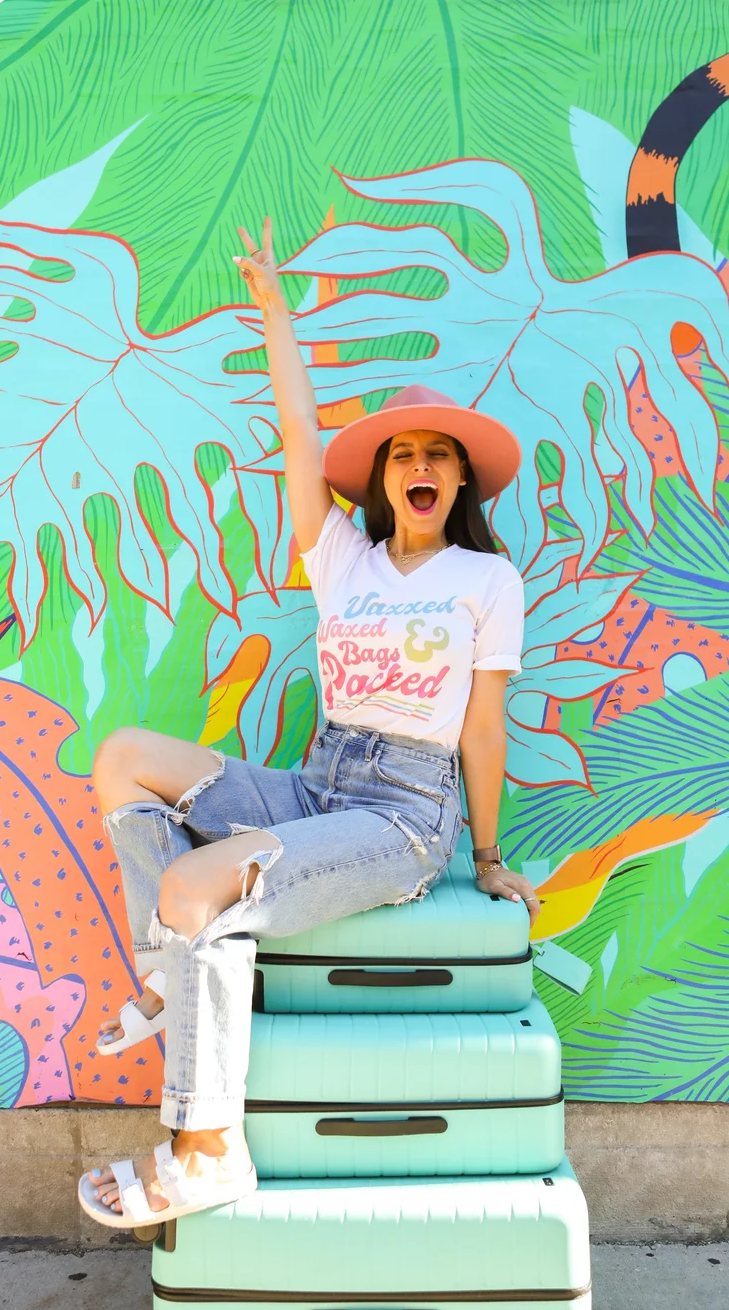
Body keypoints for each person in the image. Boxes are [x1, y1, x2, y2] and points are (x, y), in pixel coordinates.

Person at [77, 219, 539, 1229]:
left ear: (460, 480)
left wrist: (488, 855)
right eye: (403, 454)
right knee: (123, 758)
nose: (420, 465)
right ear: (382, 481)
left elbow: (482, 729)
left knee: (197, 885)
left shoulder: (486, 579)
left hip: (403, 814)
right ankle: (171, 973)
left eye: (438, 455)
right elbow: (299, 434)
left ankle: (205, 1150)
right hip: (318, 781)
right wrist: (274, 306)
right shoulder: (343, 559)